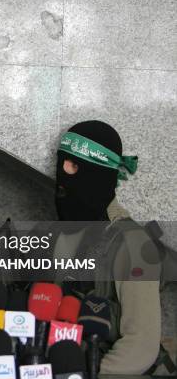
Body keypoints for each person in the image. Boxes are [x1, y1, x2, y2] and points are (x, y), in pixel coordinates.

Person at [53, 120, 163, 374]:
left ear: (98, 174)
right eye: (62, 163)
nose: (62, 173)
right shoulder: (60, 233)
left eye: (75, 166)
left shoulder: (132, 243)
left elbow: (141, 347)